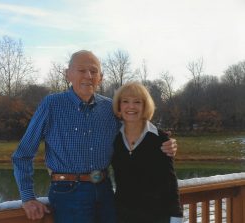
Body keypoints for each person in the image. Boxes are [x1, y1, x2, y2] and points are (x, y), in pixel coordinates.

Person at [12, 50, 178, 223]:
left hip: (105, 191)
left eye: (93, 71)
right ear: (68, 74)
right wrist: (28, 198)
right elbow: (22, 155)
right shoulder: (52, 104)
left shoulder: (109, 107)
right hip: (67, 193)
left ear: (101, 77)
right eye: (81, 70)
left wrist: (165, 141)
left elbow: (137, 128)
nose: (88, 76)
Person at [111, 82, 183, 223]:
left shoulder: (160, 139)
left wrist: (176, 217)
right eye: (125, 101)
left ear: (144, 106)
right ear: (119, 106)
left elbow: (170, 183)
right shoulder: (115, 139)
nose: (131, 106)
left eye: (137, 102)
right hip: (123, 216)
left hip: (156, 216)